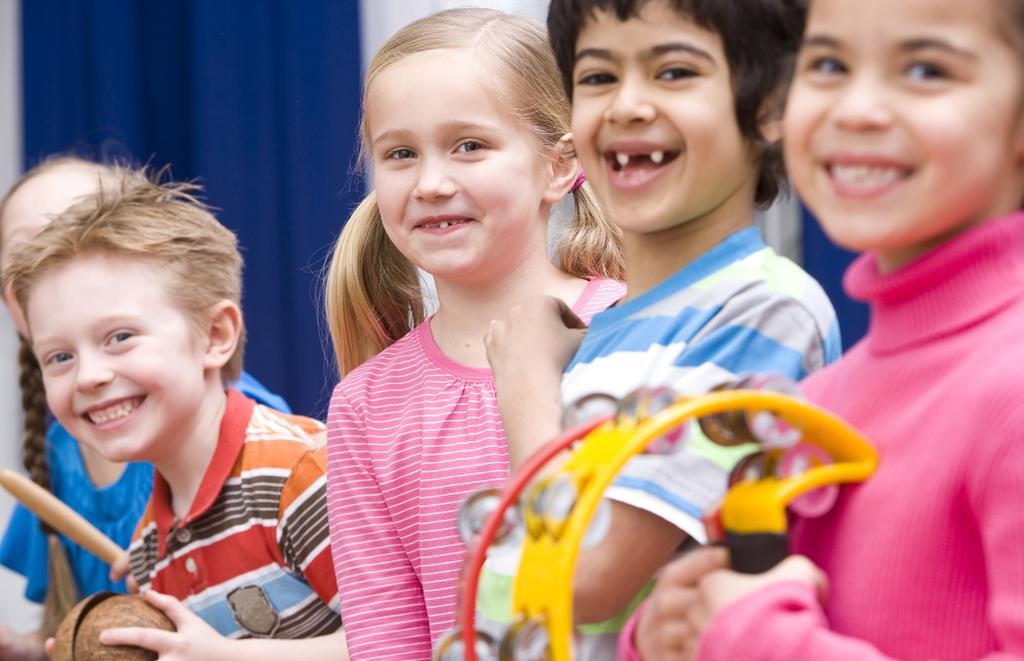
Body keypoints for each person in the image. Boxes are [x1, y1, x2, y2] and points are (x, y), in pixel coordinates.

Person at [626, 0, 1024, 658]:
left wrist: (760, 637)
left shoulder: (1010, 386)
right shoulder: (812, 403)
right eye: (830, 63)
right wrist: (678, 632)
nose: (856, 109)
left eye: (926, 70)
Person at [483, 0, 838, 654]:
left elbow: (586, 577)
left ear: (770, 108)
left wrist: (528, 382)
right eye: (597, 77)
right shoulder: (594, 337)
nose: (626, 105)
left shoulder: (762, 310)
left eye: (673, 72)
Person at [322, 7, 625, 659]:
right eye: (400, 153)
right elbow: (386, 639)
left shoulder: (636, 333)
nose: (431, 183)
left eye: (469, 145)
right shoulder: (363, 406)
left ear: (557, 165)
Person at [4, 173, 345, 659]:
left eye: (120, 337)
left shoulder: (297, 477)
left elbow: (412, 638)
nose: (87, 377)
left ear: (215, 335)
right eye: (60, 357)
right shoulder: (148, 548)